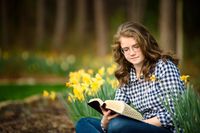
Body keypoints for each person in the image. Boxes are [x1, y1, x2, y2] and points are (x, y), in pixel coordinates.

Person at [75, 21, 185, 133]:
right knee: (84, 122)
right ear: (121, 52)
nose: (132, 53)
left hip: (165, 129)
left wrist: (140, 124)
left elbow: (175, 113)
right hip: (137, 128)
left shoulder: (164, 67)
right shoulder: (127, 74)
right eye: (126, 49)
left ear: (145, 44)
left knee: (118, 126)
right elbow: (117, 109)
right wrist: (106, 120)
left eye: (136, 46)